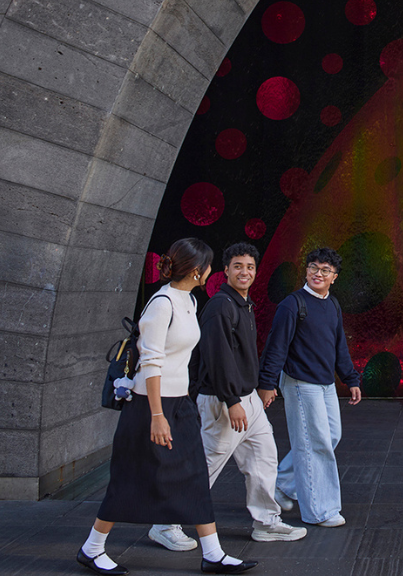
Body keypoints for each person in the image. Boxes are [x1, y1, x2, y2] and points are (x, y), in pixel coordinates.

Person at [77, 238, 258, 576]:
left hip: (180, 404)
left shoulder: (188, 300)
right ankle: (92, 548)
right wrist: (157, 416)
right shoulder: (162, 304)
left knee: (195, 476)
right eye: (207, 266)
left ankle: (213, 553)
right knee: (130, 478)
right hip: (149, 408)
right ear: (195, 270)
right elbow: (151, 363)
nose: (209, 272)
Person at [151, 243, 306, 546]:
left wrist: (260, 388)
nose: (244, 272)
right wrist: (233, 401)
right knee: (206, 464)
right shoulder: (221, 306)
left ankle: (266, 523)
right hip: (223, 401)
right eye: (237, 266)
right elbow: (217, 357)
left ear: (256, 271)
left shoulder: (243, 304)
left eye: (249, 267)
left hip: (246, 399)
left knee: (264, 458)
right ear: (225, 270)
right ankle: (165, 523)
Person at [256, 247, 361, 528]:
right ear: (306, 270)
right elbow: (275, 348)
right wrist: (267, 383)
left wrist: (350, 378)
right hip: (301, 384)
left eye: (325, 270)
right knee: (314, 444)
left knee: (331, 437)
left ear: (334, 277)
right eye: (313, 267)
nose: (318, 273)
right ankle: (320, 510)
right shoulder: (292, 304)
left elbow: (339, 345)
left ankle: (281, 485)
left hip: (325, 384)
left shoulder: (332, 304)